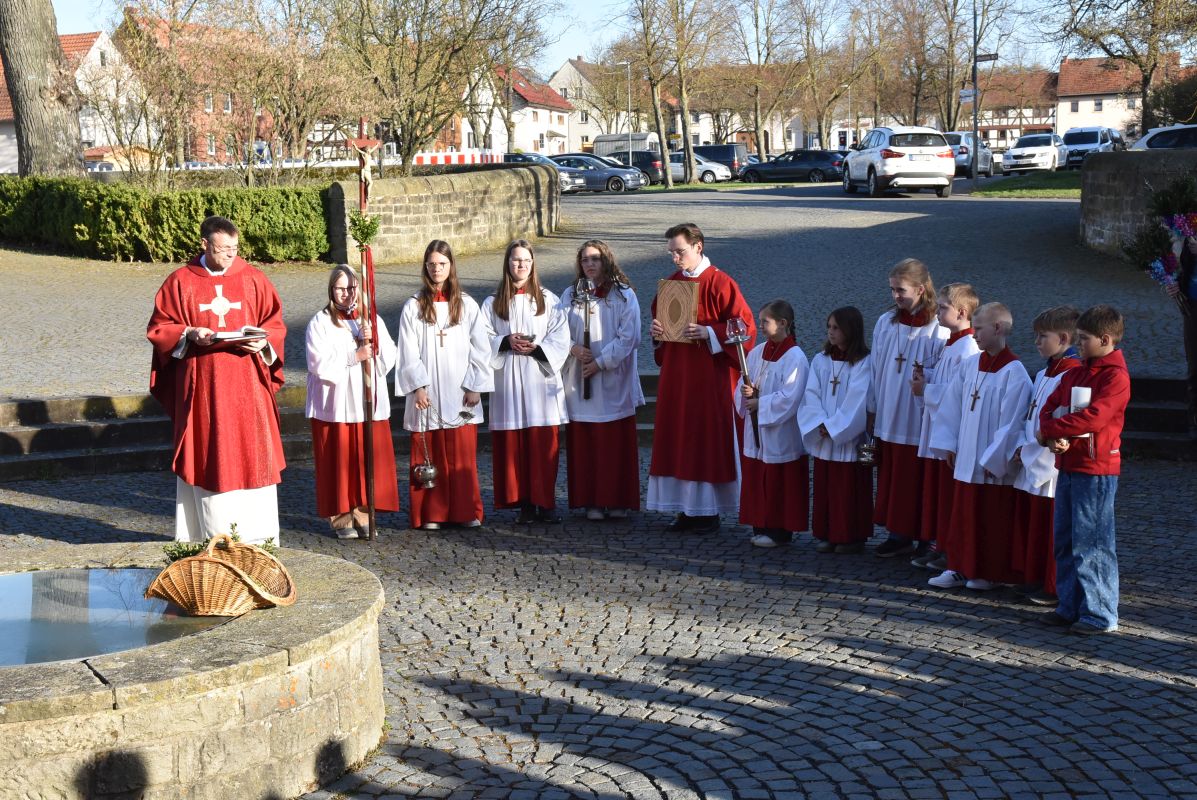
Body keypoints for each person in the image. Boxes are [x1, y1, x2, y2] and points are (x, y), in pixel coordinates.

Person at [147, 215, 286, 546]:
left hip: (249, 387)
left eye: (235, 248)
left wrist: (263, 343)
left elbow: (275, 324)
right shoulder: (180, 282)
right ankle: (210, 542)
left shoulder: (253, 279)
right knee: (209, 456)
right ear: (204, 245)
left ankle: (260, 542)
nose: (231, 255)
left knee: (254, 453)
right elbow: (159, 328)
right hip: (204, 389)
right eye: (224, 249)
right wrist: (188, 333)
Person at [648, 223, 755, 534]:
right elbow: (661, 324)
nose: (675, 258)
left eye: (680, 251)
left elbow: (745, 329)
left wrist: (710, 332)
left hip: (710, 378)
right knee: (679, 438)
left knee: (704, 441)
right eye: (671, 253)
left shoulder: (720, 282)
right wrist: (657, 333)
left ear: (698, 246)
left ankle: (707, 511)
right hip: (677, 376)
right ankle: (686, 508)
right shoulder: (671, 283)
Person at [1038, 304, 1131, 635]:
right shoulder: (1075, 373)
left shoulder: (1115, 377)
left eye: (1084, 338)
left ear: (1105, 340)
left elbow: (1095, 417)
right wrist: (1051, 434)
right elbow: (1050, 405)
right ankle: (1070, 605)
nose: (1078, 344)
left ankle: (1100, 612)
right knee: (1065, 539)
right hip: (1070, 463)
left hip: (1096, 468)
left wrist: (1052, 430)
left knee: (1092, 543)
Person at [928, 302, 1032, 591]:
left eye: (980, 328)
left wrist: (994, 460)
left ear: (998, 328)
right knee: (962, 515)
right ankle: (958, 566)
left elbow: (1012, 423)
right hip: (965, 456)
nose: (974, 334)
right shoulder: (971, 364)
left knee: (990, 519)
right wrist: (949, 443)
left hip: (990, 465)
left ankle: (986, 572)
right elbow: (951, 404)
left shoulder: (1015, 372)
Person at [394, 240, 492, 530]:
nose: (437, 269)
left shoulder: (467, 304)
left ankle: (465, 511)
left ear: (451, 266)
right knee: (430, 453)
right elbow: (408, 350)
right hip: (428, 393)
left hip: (461, 391)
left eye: (442, 264)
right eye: (432, 264)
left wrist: (475, 385)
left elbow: (481, 348)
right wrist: (418, 387)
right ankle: (432, 513)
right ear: (425, 267)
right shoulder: (413, 306)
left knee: (461, 456)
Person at [305, 264, 399, 539]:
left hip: (364, 401)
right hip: (336, 404)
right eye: (341, 288)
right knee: (340, 460)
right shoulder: (320, 322)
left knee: (364, 459)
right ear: (331, 290)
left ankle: (365, 512)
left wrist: (373, 342)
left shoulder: (370, 320)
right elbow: (317, 363)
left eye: (351, 288)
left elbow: (389, 354)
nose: (347, 293)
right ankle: (342, 517)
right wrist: (354, 355)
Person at [481, 239, 571, 524]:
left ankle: (546, 503)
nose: (521, 265)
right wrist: (504, 341)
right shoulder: (493, 302)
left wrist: (538, 349)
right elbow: (480, 338)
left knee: (542, 445)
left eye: (526, 260)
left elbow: (561, 338)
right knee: (515, 446)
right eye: (516, 260)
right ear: (507, 263)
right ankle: (524, 504)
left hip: (539, 380)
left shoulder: (549, 300)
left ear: (533, 264)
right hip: (508, 379)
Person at [560, 240, 644, 520]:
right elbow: (556, 330)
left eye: (595, 259)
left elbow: (630, 337)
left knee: (614, 445)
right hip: (579, 378)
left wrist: (600, 363)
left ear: (606, 260)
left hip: (613, 380)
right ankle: (591, 500)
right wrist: (573, 348)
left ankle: (617, 499)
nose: (590, 264)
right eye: (585, 260)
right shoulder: (570, 294)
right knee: (586, 445)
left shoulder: (623, 295)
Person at [869, 258, 948, 557]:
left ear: (921, 288)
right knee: (895, 477)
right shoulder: (886, 323)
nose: (895, 296)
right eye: (892, 290)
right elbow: (875, 367)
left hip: (919, 416)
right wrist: (873, 408)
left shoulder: (938, 328)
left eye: (901, 290)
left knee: (920, 478)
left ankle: (926, 536)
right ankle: (898, 532)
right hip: (890, 411)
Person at [1010, 305, 1081, 602]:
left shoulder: (1073, 375)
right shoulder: (1042, 374)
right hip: (1032, 457)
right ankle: (1034, 575)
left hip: (1051, 463)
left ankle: (1052, 585)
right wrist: (1021, 445)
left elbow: (1067, 420)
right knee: (1035, 526)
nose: (1036, 342)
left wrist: (1035, 448)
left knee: (1052, 528)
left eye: (1042, 336)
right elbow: (1030, 416)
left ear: (1063, 338)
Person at [910, 283, 980, 571]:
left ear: (961, 312)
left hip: (952, 433)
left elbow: (957, 394)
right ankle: (940, 545)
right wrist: (926, 375)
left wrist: (925, 389)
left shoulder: (968, 348)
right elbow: (945, 381)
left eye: (942, 308)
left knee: (949, 496)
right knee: (939, 495)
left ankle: (949, 550)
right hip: (938, 429)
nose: (937, 312)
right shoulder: (951, 343)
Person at [798, 306, 872, 554]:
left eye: (836, 328)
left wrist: (833, 427)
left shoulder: (863, 363)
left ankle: (851, 536)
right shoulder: (821, 360)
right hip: (824, 436)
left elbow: (858, 400)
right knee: (826, 488)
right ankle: (827, 532)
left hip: (848, 438)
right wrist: (819, 422)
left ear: (851, 330)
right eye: (829, 327)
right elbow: (811, 393)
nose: (831, 332)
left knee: (848, 489)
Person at [736, 300, 809, 547]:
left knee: (779, 481)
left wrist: (761, 404)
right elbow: (743, 381)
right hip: (757, 428)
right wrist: (745, 392)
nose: (760, 326)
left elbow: (791, 396)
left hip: (780, 431)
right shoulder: (757, 352)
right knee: (758, 477)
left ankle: (779, 531)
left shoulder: (795, 357)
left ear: (783, 323)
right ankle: (760, 525)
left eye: (764, 322)